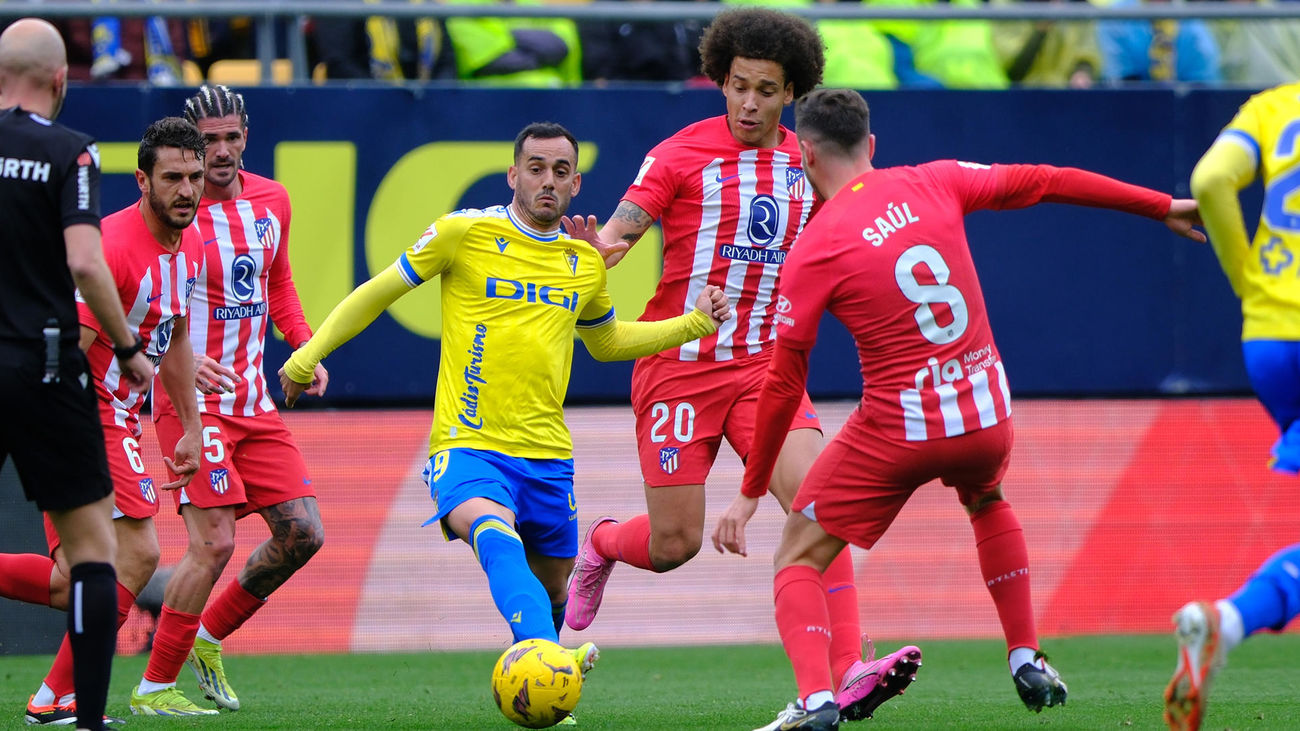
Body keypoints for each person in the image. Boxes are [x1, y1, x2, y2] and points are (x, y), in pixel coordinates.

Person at [721, 87, 1205, 730]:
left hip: (896, 431)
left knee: (798, 554)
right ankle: (1025, 654)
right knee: (987, 502)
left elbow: (784, 383)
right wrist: (1160, 205)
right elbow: (1046, 180)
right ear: (871, 145)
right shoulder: (936, 180)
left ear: (804, 154)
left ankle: (816, 702)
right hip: (984, 415)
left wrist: (751, 489)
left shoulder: (814, 247)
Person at [278, 122, 731, 722]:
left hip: (547, 455)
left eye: (560, 171)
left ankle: (543, 670)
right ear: (513, 174)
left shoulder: (583, 262)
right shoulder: (465, 233)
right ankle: (549, 660)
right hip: (467, 445)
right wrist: (306, 355)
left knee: (551, 594)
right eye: (536, 168)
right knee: (495, 538)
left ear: (575, 183)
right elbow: (378, 291)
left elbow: (607, 342)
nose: (548, 180)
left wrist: (691, 326)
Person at [563, 9, 917, 718]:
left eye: (766, 89)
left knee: (821, 507)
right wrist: (590, 250)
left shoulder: (807, 160)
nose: (750, 103)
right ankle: (601, 542)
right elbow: (619, 237)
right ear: (719, 82)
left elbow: (837, 246)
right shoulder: (676, 156)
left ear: (793, 93)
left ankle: (844, 672)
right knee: (675, 544)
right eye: (738, 86)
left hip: (763, 369)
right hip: (678, 366)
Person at [126, 84, 329, 716]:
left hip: (254, 400)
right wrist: (169, 355)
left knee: (303, 534)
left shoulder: (273, 200)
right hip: (192, 401)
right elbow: (139, 296)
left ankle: (207, 637)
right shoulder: (171, 211)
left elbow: (281, 283)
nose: (220, 151)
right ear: (188, 142)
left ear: (246, 135)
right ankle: (154, 686)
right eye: (207, 139)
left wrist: (303, 345)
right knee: (213, 542)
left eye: (231, 137)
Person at [0, 115, 207, 726]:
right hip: (83, 411)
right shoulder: (113, 249)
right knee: (137, 553)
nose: (187, 190)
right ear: (141, 180)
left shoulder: (189, 243)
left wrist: (190, 426)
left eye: (194, 177)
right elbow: (74, 347)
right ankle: (55, 697)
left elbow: (172, 339)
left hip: (118, 417)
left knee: (74, 582)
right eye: (173, 177)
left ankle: (51, 698)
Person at [0, 18, 154, 731]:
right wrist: (126, 347)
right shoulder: (70, 152)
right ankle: (86, 721)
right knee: (95, 557)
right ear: (62, 80)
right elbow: (86, 263)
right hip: (44, 365)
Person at [1164, 82, 1300, 731]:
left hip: (1271, 337)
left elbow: (1212, 178)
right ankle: (1232, 618)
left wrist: (1247, 278)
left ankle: (1230, 620)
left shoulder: (1276, 105)